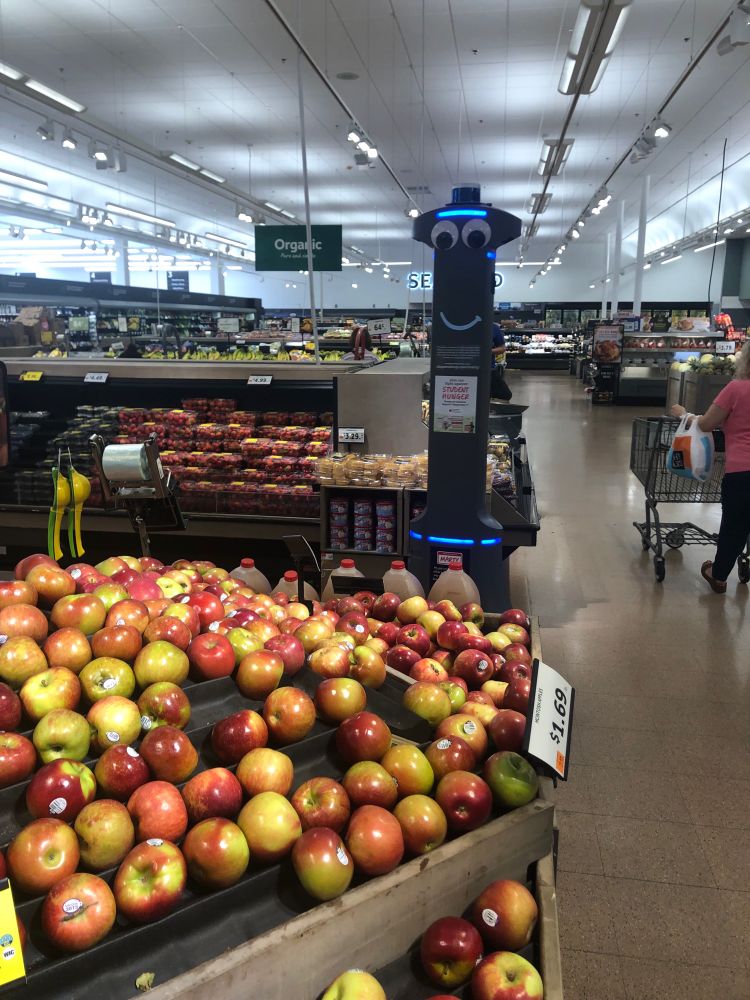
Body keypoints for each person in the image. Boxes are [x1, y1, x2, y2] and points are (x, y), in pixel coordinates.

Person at [671, 342, 750, 593]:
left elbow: (706, 425)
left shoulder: (736, 389)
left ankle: (718, 576)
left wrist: (685, 414)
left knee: (735, 527)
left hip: (742, 473)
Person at [490, 323, 512, 400]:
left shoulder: (493, 327)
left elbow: (502, 348)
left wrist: (487, 351)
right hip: (465, 369)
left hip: (488, 369)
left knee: (505, 394)